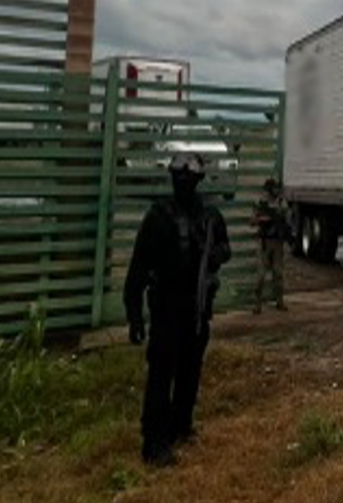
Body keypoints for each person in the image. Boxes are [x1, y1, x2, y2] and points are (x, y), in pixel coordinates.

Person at [124, 153, 231, 467]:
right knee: (161, 374)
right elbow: (138, 269)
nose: (184, 184)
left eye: (190, 179)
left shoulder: (209, 216)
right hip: (167, 308)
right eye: (179, 178)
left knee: (190, 371)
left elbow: (226, 249)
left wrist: (213, 253)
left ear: (198, 182)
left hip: (196, 309)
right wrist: (134, 315)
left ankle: (181, 425)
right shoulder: (159, 217)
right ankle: (154, 441)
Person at [252, 177, 291, 313]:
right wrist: (263, 219)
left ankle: (279, 301)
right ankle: (257, 304)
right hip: (264, 242)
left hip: (277, 242)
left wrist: (279, 219)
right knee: (261, 276)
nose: (276, 191)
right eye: (274, 189)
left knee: (278, 274)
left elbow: (287, 220)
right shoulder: (261, 202)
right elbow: (252, 221)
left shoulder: (281, 203)